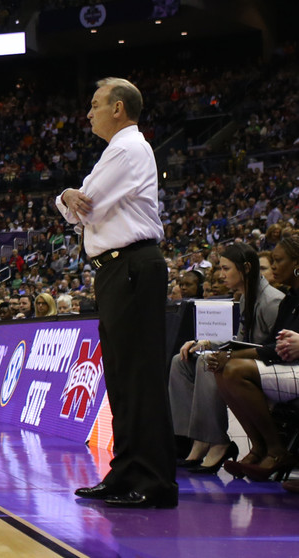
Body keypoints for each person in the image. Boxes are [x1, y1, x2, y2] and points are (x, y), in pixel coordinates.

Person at [56, 78, 177, 508]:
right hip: (117, 270)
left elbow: (84, 205)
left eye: (94, 105)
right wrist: (68, 198)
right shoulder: (120, 150)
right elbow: (78, 211)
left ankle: (155, 480)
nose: (88, 113)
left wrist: (68, 196)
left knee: (139, 378)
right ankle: (126, 471)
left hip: (132, 266)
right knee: (123, 379)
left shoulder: (126, 149)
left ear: (119, 108)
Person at [168, 243, 282, 474]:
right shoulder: (245, 298)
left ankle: (217, 440)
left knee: (207, 362)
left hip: (266, 367)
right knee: (180, 362)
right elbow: (241, 340)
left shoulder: (271, 301)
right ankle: (194, 439)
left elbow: (273, 349)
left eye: (226, 268)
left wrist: (220, 353)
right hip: (248, 360)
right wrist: (206, 343)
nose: (221, 275)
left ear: (246, 268)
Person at [208, 237, 299, 481]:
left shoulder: (274, 299)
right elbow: (272, 346)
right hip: (287, 367)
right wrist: (230, 355)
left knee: (235, 369)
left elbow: (274, 348)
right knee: (223, 368)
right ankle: (260, 447)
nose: (273, 266)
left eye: (279, 261)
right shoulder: (291, 299)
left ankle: (276, 449)